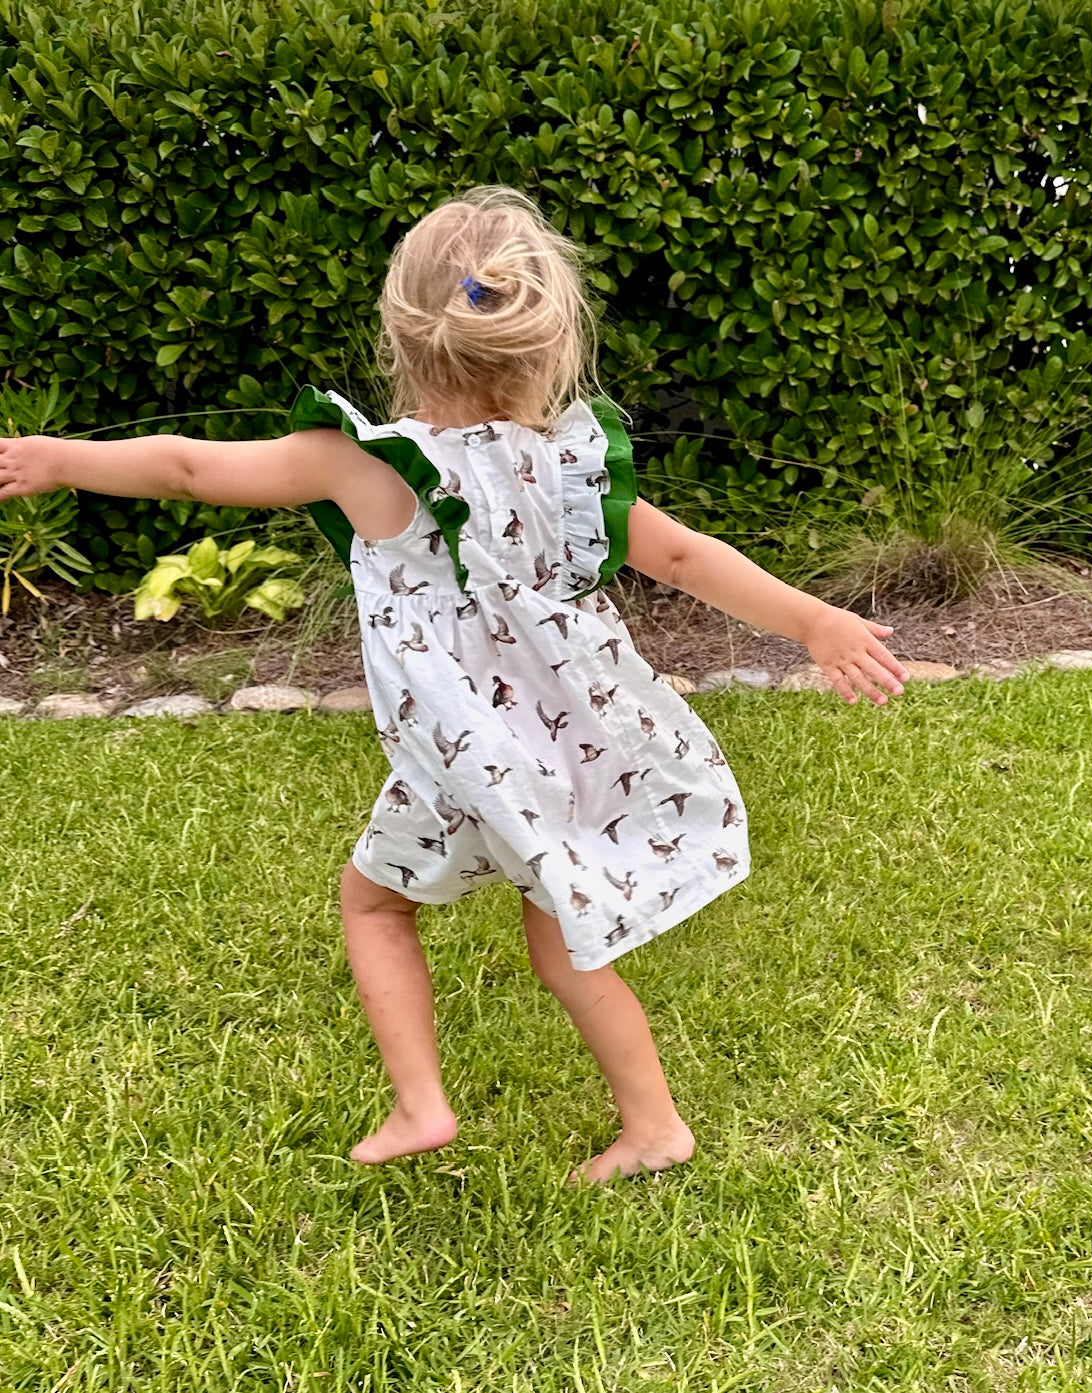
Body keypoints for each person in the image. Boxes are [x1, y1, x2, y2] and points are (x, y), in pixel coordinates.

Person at [0, 186, 907, 1182]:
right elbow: (686, 558)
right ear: (548, 346)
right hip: (563, 758)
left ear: (398, 332)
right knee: (565, 948)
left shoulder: (367, 467)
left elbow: (186, 469)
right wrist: (812, 621)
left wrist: (59, 457)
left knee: (374, 907)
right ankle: (653, 1126)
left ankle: (422, 1102)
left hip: (458, 764)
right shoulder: (567, 471)